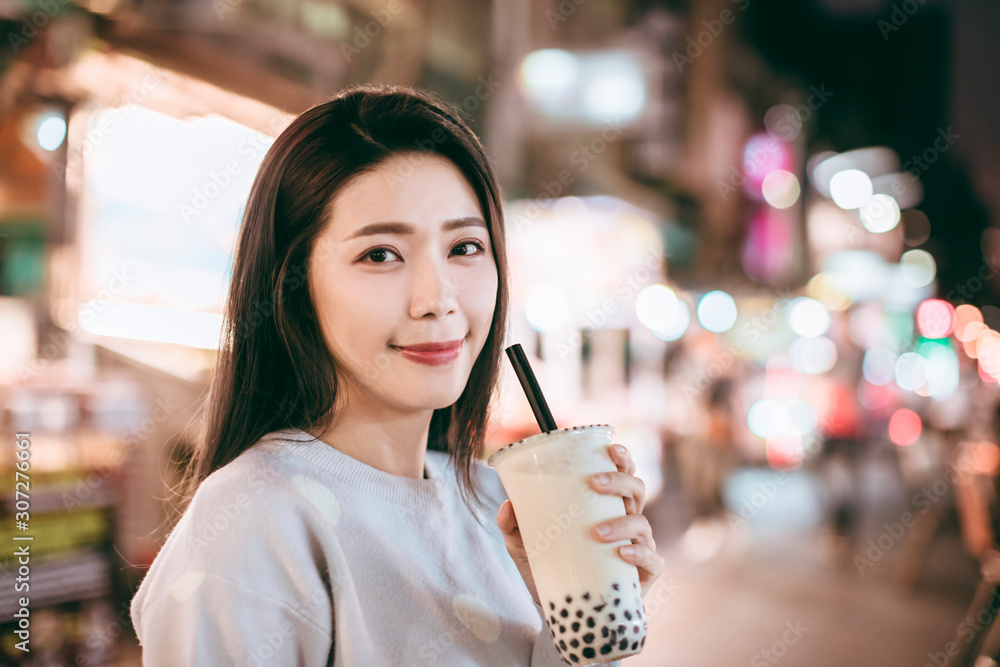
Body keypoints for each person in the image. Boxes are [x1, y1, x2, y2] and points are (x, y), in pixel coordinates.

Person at [129, 84, 663, 666]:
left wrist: (578, 631)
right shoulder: (255, 521)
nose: (437, 299)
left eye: (465, 247)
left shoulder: (498, 507)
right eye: (380, 254)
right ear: (295, 286)